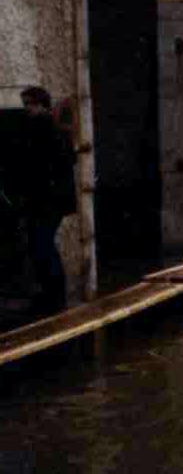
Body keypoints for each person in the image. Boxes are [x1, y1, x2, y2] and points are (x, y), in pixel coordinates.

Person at [16, 87, 75, 319]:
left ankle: (54, 298)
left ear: (41, 104)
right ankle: (51, 296)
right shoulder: (50, 127)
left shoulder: (45, 128)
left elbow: (41, 166)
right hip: (49, 200)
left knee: (43, 245)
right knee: (41, 245)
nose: (27, 109)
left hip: (48, 201)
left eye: (29, 104)